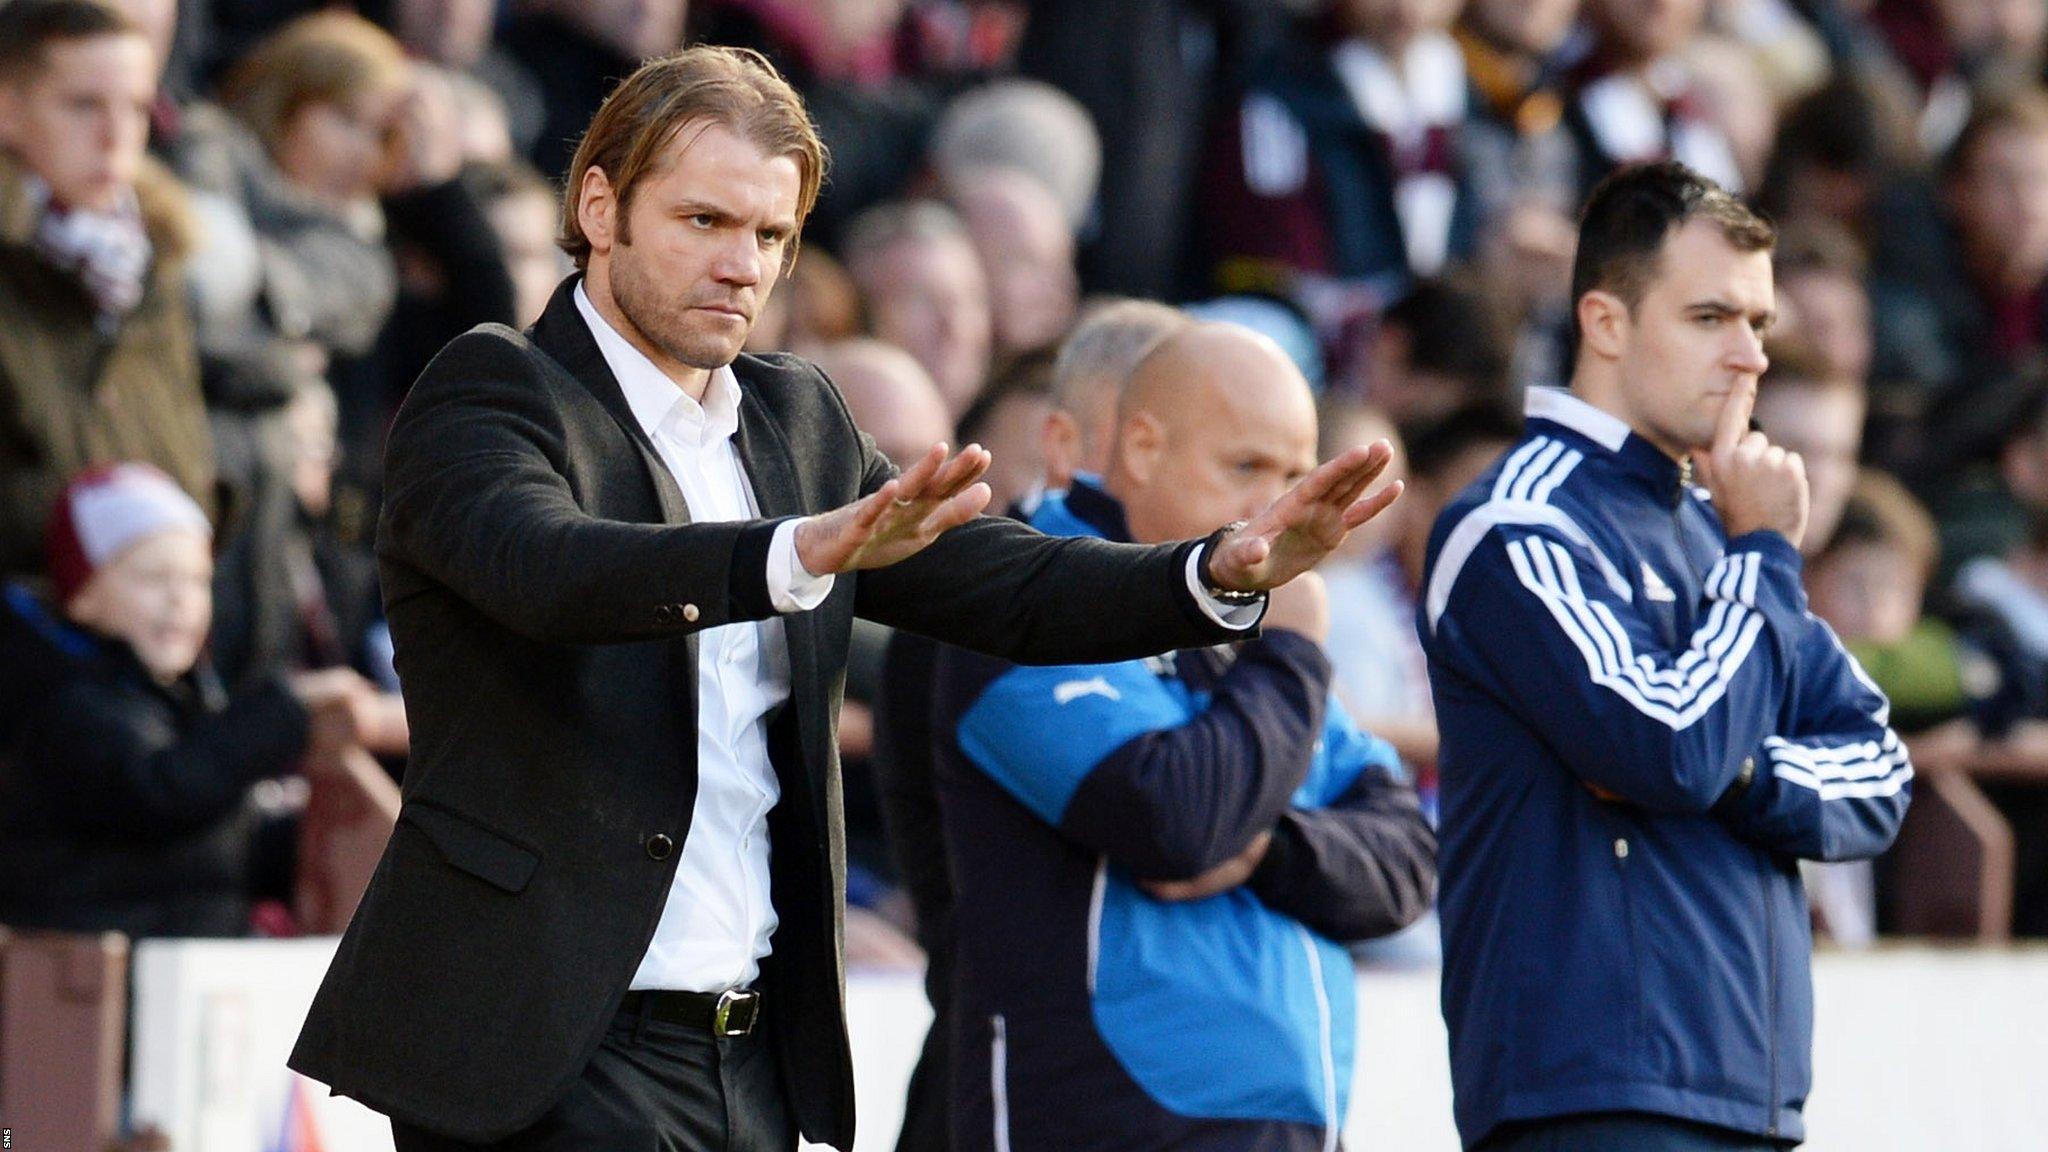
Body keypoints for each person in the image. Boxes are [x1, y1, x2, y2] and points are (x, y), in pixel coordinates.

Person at [286, 45, 1401, 1152]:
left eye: (770, 236)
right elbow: (555, 570)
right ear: (599, 205)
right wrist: (788, 554)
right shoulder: (491, 388)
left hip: (747, 1052)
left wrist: (1212, 572)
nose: (740, 265)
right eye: (703, 222)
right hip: (540, 1049)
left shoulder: (797, 420)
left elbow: (1009, 585)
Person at [1421, 161, 1913, 1151]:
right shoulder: (1518, 524)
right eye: (1708, 319)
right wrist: (1765, 558)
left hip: (1746, 1089)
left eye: (1758, 324)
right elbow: (1666, 744)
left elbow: (1879, 767)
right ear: (1603, 323)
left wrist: (1739, 774)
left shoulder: (1716, 527)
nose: (1748, 359)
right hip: (1589, 1091)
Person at [932, 321, 1437, 1151]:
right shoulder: (1033, 601)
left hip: (1290, 1120)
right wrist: (1296, 651)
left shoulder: (1253, 621)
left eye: (1293, 474)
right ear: (1140, 447)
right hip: (1106, 1121)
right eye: (1245, 467)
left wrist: (1267, 852)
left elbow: (1408, 858)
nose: (1278, 508)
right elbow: (1175, 820)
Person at [0, 463, 379, 938]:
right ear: (83, 597)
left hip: (183, 967)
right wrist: (286, 710)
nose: (180, 599)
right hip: (96, 983)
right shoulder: (71, 707)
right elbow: (164, 791)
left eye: (198, 580)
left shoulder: (179, 700)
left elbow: (213, 842)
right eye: (155, 578)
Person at [0, 0, 214, 577]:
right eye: (83, 105)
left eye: (138, 108)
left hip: (147, 643)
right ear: (8, 108)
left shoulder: (154, 252)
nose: (116, 136)